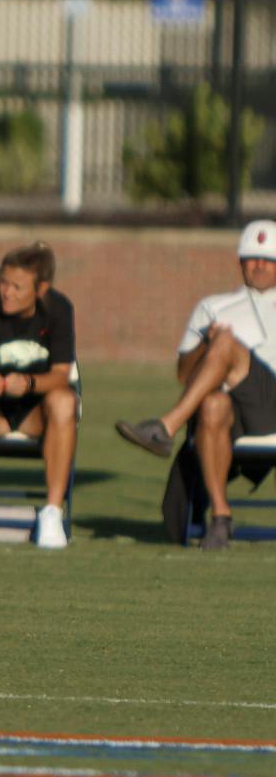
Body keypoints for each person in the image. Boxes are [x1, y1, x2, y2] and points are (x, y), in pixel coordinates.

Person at [115, 221, 276, 550]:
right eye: (251, 258)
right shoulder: (213, 306)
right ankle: (220, 516)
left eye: (268, 259)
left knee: (229, 342)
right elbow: (184, 375)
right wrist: (207, 343)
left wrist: (225, 345)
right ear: (239, 262)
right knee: (211, 405)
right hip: (233, 411)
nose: (259, 266)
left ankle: (165, 427)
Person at [0, 243, 78, 550]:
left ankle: (52, 512)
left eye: (17, 287)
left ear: (41, 288)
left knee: (65, 401)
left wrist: (30, 383)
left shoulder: (59, 309)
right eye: (3, 282)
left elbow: (61, 374)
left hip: (37, 413)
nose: (6, 292)